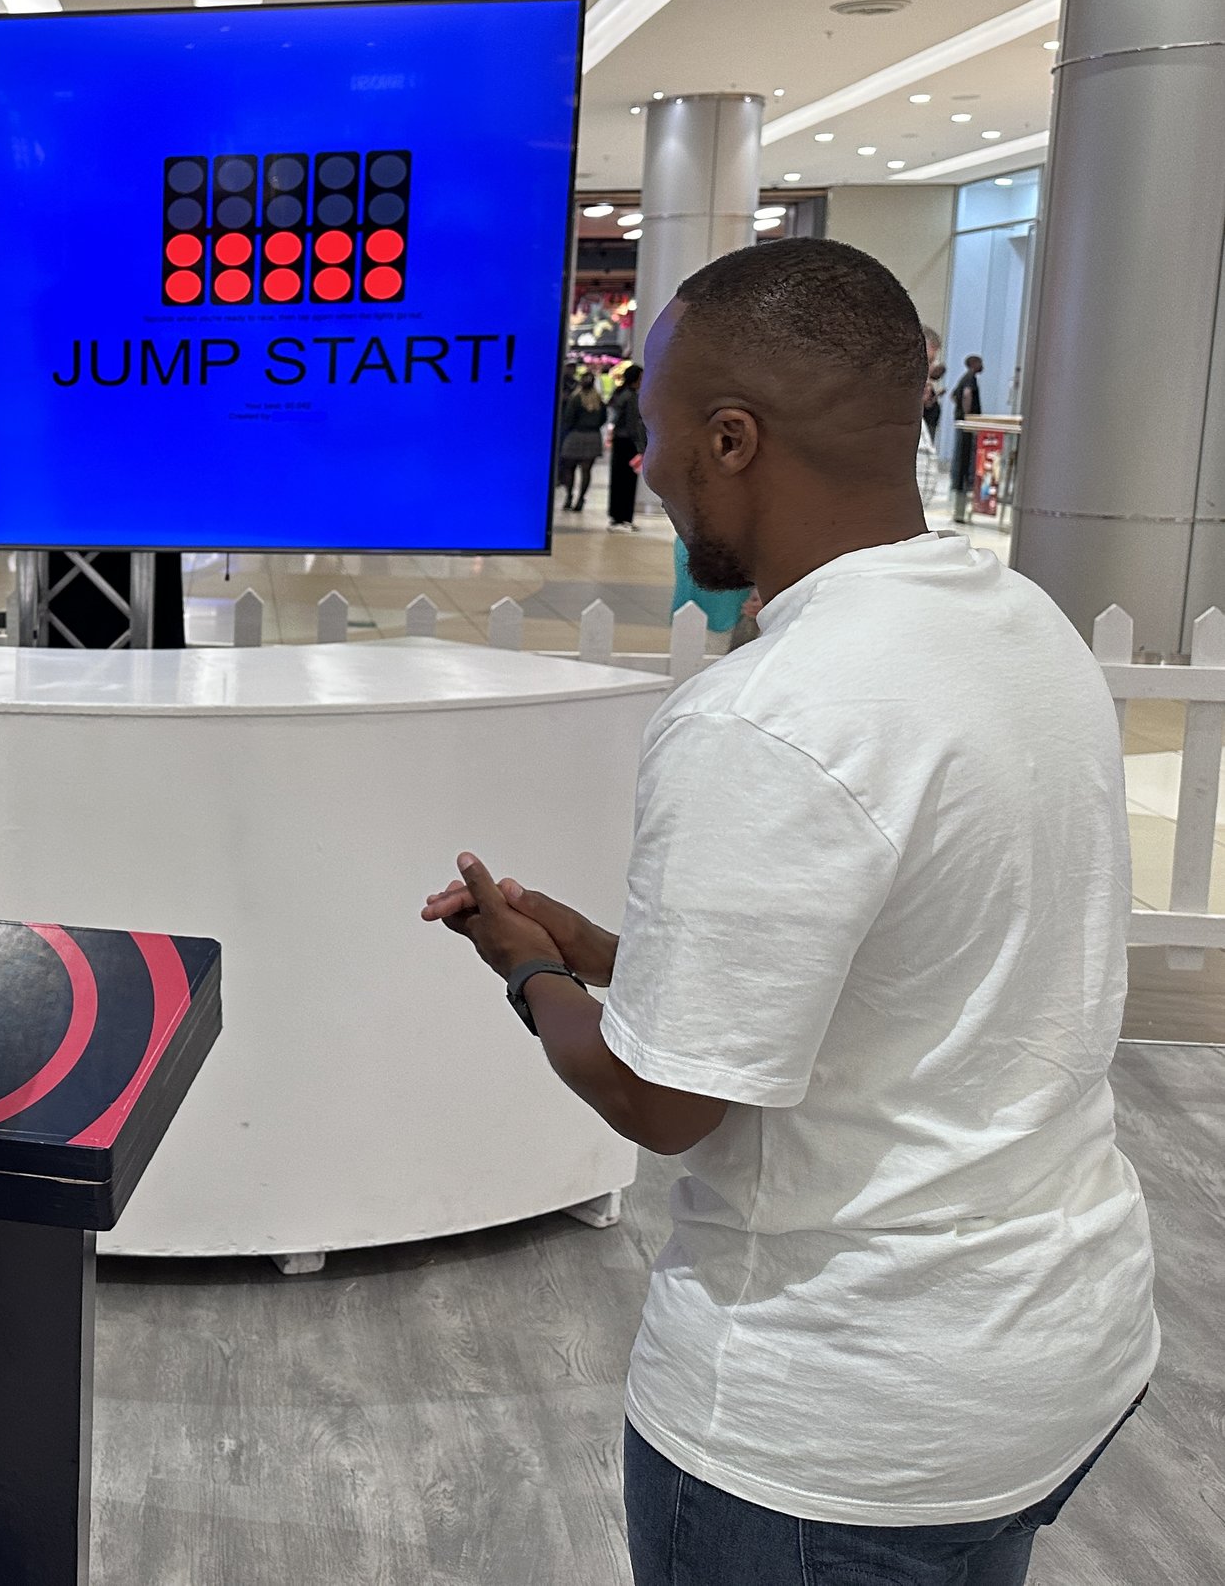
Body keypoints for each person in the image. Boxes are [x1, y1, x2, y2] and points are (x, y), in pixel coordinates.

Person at [422, 237, 1156, 1586]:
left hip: (837, 1425)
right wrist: (604, 950)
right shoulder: (1026, 630)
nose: (640, 469)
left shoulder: (768, 714)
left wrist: (528, 973)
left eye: (652, 434)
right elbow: (901, 985)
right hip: (1061, 1343)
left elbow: (662, 1101)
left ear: (731, 439)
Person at [604, 363, 645, 529]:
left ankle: (616, 516)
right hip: (629, 443)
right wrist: (641, 446)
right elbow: (633, 424)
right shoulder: (632, 397)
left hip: (620, 442)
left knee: (618, 479)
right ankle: (624, 517)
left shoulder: (620, 394)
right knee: (628, 481)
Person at [558, 375, 607, 512]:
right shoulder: (599, 400)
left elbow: (568, 418)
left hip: (575, 435)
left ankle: (569, 495)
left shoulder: (575, 399)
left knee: (569, 467)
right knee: (586, 470)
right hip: (593, 437)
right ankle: (581, 498)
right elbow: (603, 418)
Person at [950, 351, 985, 512]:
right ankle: (962, 485)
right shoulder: (970, 378)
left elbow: (953, 395)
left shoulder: (964, 378)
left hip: (962, 421)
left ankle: (959, 484)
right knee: (965, 456)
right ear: (973, 364)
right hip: (967, 423)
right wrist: (968, 416)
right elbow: (966, 395)